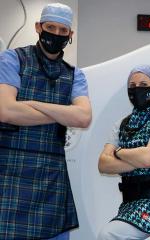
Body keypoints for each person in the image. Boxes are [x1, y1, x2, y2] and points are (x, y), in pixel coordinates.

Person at [0, 3, 92, 240]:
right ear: (38, 27)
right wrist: (63, 112)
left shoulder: (74, 74)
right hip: (10, 170)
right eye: (51, 27)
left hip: (52, 176)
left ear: (70, 35)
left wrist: (32, 104)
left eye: (64, 31)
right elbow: (6, 111)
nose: (57, 35)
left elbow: (83, 117)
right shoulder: (12, 59)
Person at [97, 65, 150, 240]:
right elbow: (103, 164)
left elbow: (149, 157)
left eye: (144, 84)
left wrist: (119, 152)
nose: (137, 89)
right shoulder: (121, 125)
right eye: (133, 85)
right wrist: (141, 161)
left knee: (108, 234)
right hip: (130, 205)